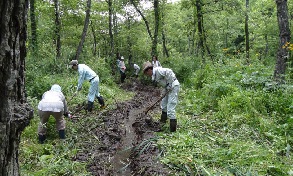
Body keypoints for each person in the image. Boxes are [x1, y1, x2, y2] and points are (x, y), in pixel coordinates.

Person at [143, 61, 180, 132]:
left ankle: (173, 130)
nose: (147, 75)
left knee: (170, 108)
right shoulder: (153, 75)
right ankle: (162, 122)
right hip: (167, 88)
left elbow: (169, 72)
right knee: (163, 104)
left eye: (146, 73)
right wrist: (166, 88)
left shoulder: (158, 70)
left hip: (173, 86)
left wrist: (170, 84)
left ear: (149, 70)